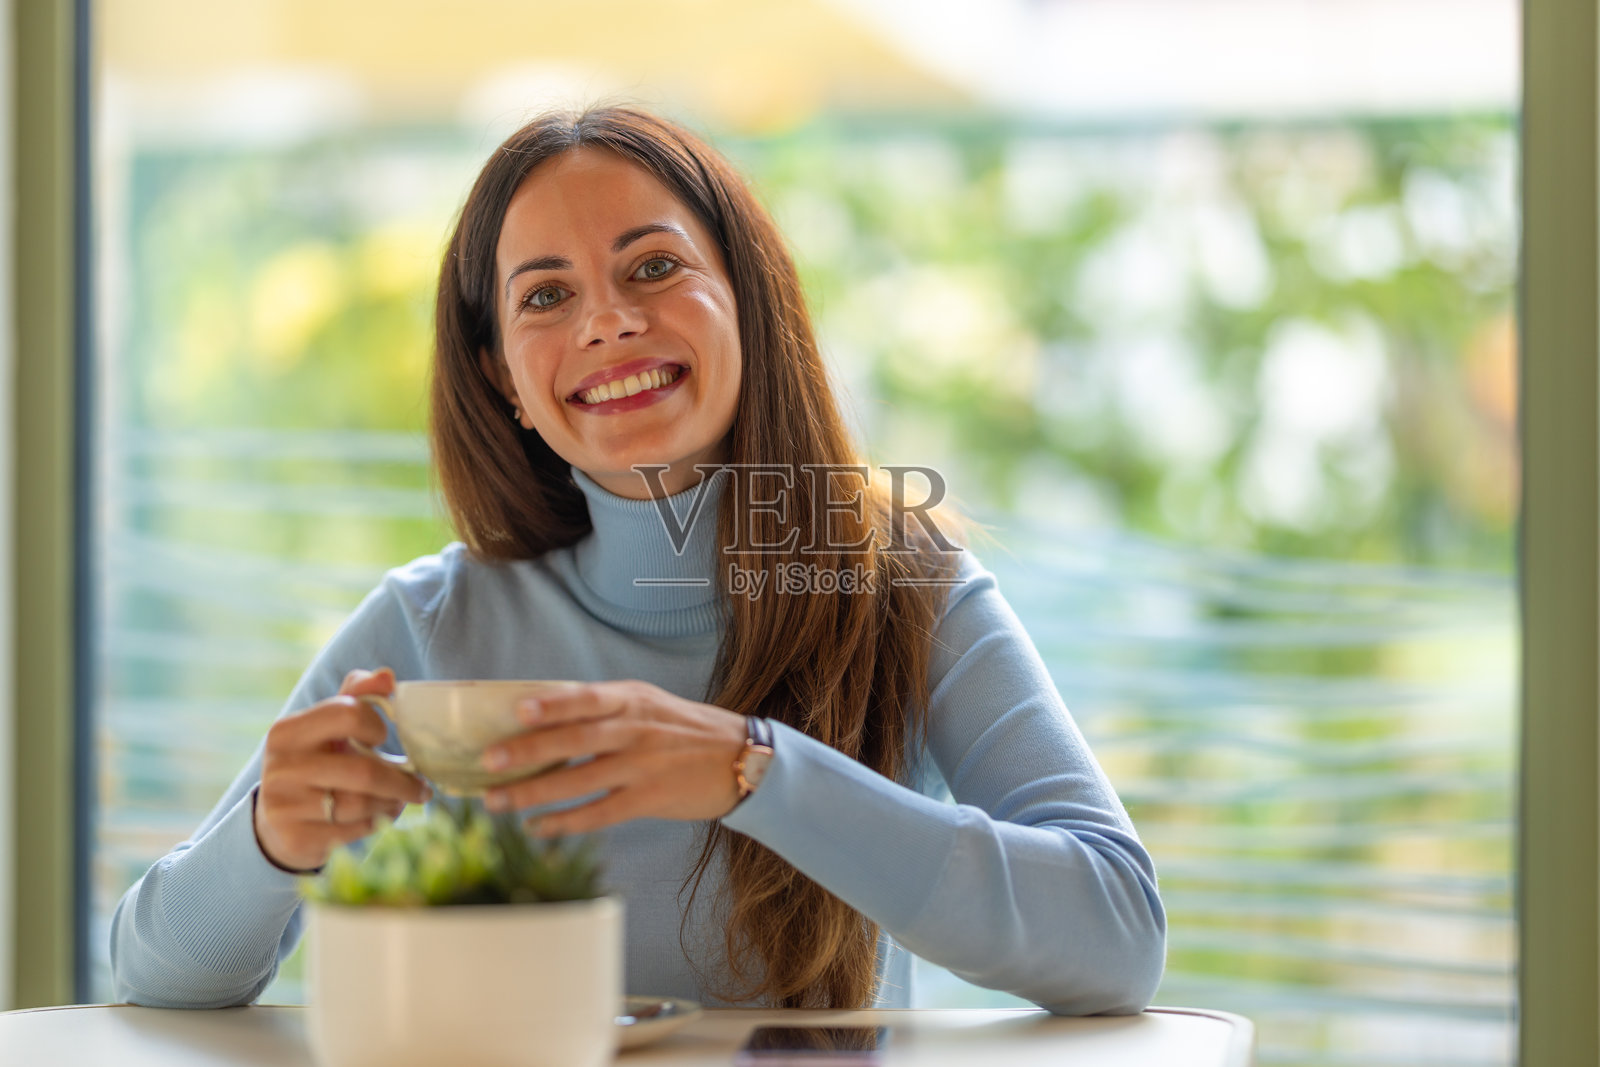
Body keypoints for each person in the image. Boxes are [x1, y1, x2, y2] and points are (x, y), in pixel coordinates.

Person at [109, 105, 1165, 1014]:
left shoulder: (900, 587)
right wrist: (266, 841)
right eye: (545, 295)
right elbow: (150, 975)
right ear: (506, 379)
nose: (608, 320)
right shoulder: (431, 627)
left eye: (653, 267)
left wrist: (755, 770)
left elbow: (1117, 937)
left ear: (748, 302)